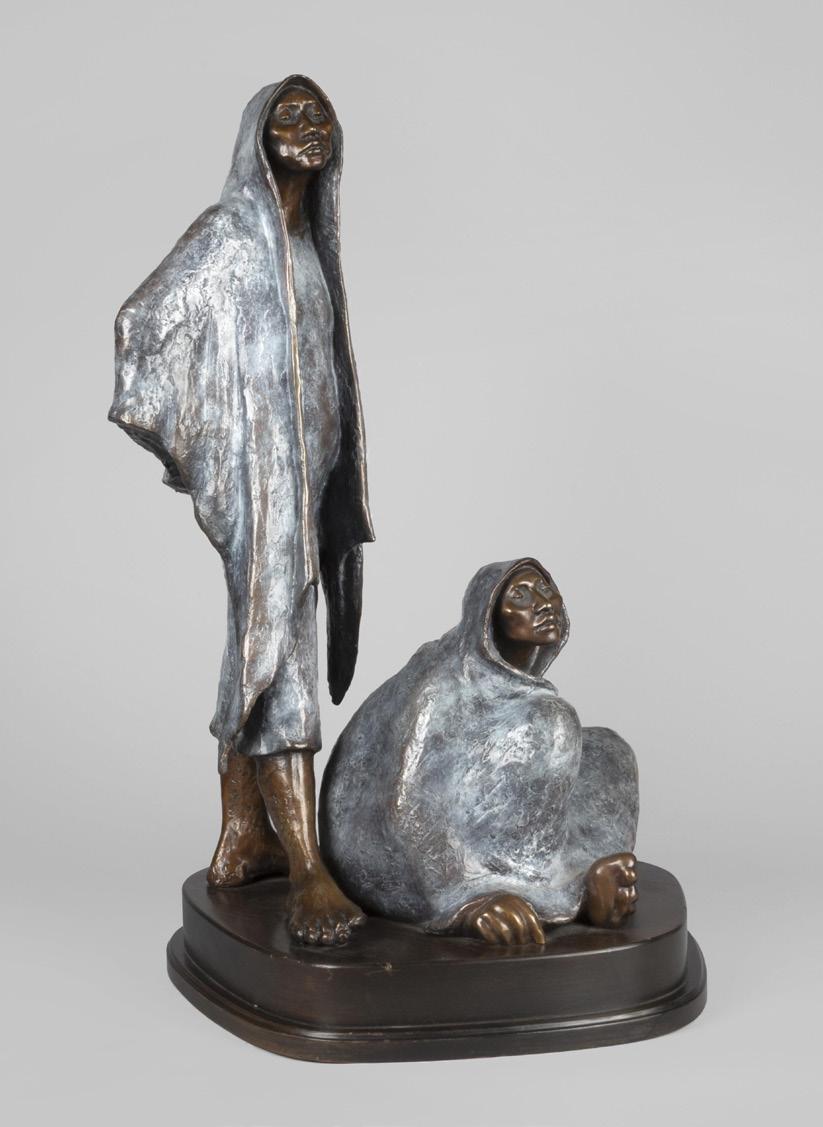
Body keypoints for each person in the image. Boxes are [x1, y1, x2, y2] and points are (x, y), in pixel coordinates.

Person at [110, 77, 373, 945]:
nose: (308, 126)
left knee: (259, 643)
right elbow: (142, 323)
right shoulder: (228, 237)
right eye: (287, 114)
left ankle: (241, 838)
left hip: (310, 483)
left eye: (318, 112)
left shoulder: (306, 243)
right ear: (255, 136)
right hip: (262, 485)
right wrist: (209, 446)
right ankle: (306, 868)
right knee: (279, 652)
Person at [320, 559, 639, 945]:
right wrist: (463, 899)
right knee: (550, 719)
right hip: (390, 845)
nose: (543, 603)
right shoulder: (439, 685)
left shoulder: (509, 689)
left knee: (608, 752)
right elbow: (404, 807)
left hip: (492, 828)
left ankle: (576, 880)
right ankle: (517, 893)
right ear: (486, 616)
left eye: (546, 589)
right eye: (520, 595)